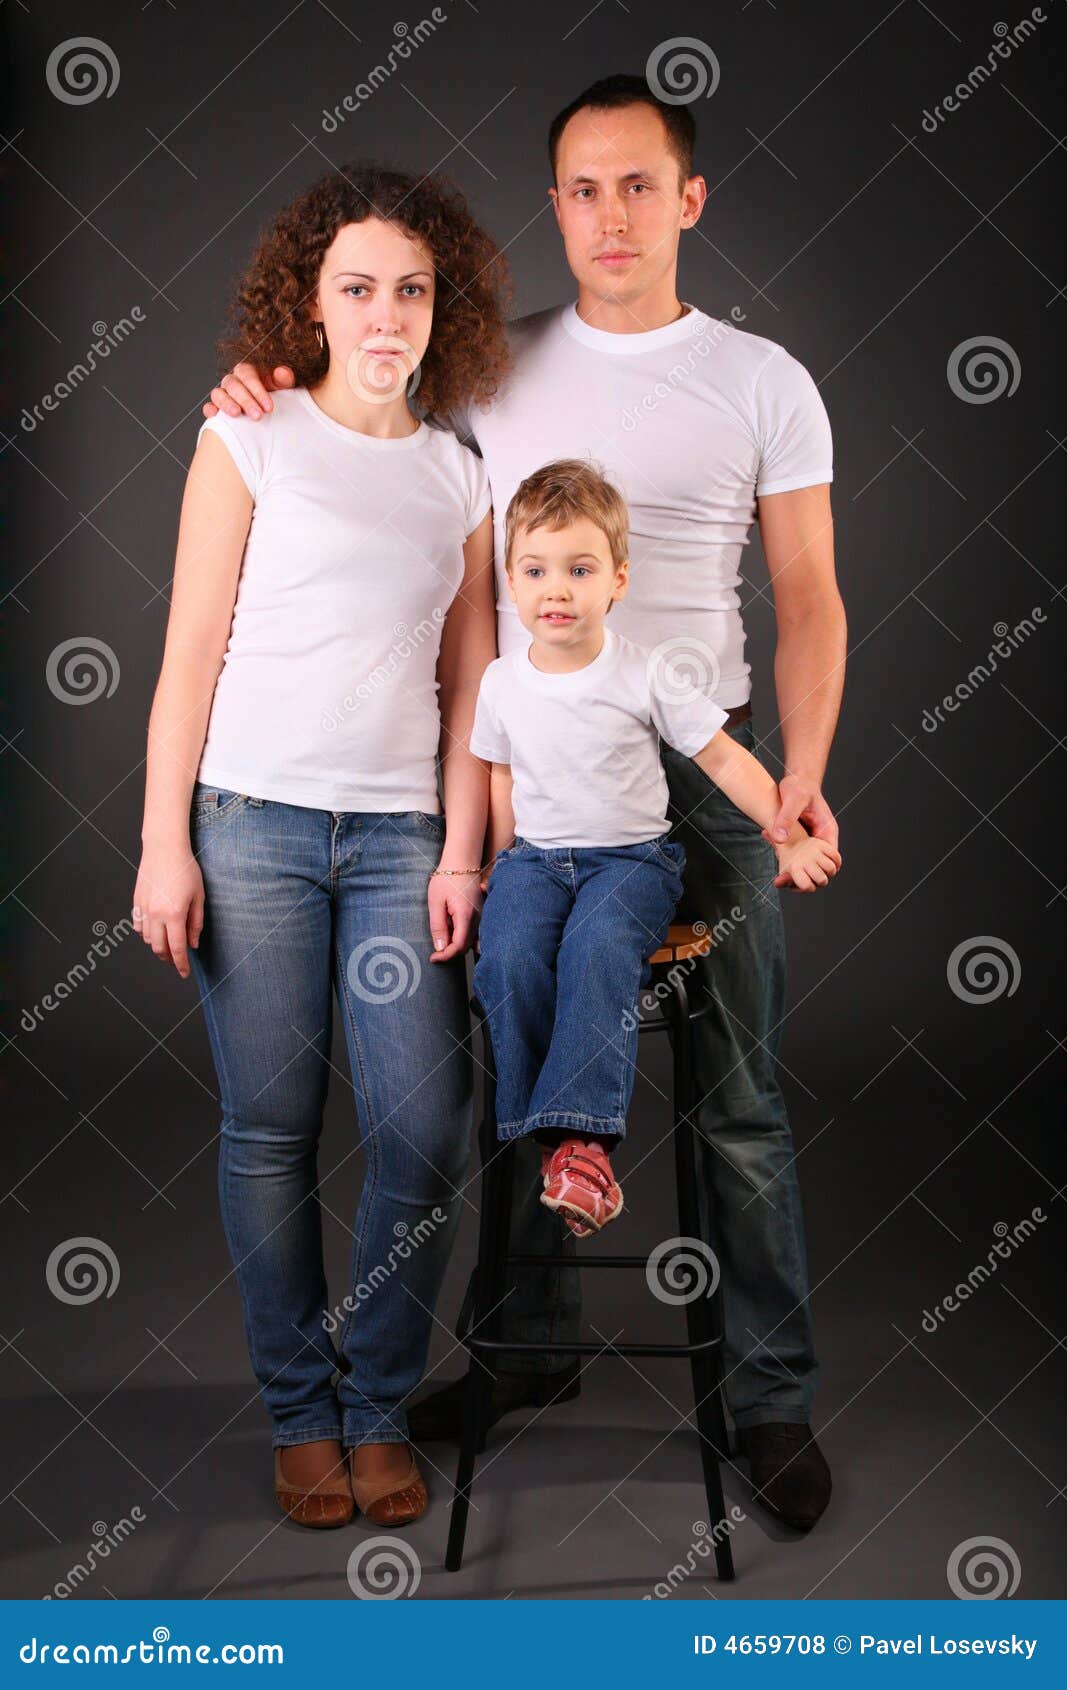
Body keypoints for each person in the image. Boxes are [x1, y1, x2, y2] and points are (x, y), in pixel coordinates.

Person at [203, 75, 846, 1532]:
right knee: (513, 1042)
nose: (607, 215)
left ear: (686, 201)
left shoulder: (763, 380)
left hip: (706, 757)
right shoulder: (493, 372)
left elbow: (807, 598)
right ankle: (526, 1353)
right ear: (551, 205)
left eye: (637, 186)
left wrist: (795, 767)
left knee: (738, 1099)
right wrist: (250, 377)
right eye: (578, 188)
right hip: (536, 763)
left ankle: (766, 1394)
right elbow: (350, 415)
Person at [134, 161, 511, 1529]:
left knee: (420, 1126)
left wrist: (461, 853)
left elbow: (472, 687)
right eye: (355, 286)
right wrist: (158, 843)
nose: (384, 313)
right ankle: (302, 1413)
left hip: (401, 836)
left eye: (409, 289)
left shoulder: (458, 473)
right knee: (269, 1132)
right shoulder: (250, 438)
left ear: (438, 308)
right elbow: (186, 655)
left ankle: (376, 1400)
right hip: (251, 828)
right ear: (309, 297)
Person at [471, 460, 840, 1237]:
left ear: (618, 581)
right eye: (535, 571)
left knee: (598, 947)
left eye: (579, 569)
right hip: (536, 859)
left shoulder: (643, 674)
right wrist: (494, 866)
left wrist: (789, 833)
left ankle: (585, 1144)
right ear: (509, 580)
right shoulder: (502, 682)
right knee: (504, 953)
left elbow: (722, 758)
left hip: (628, 863)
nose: (556, 590)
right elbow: (500, 778)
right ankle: (553, 1141)